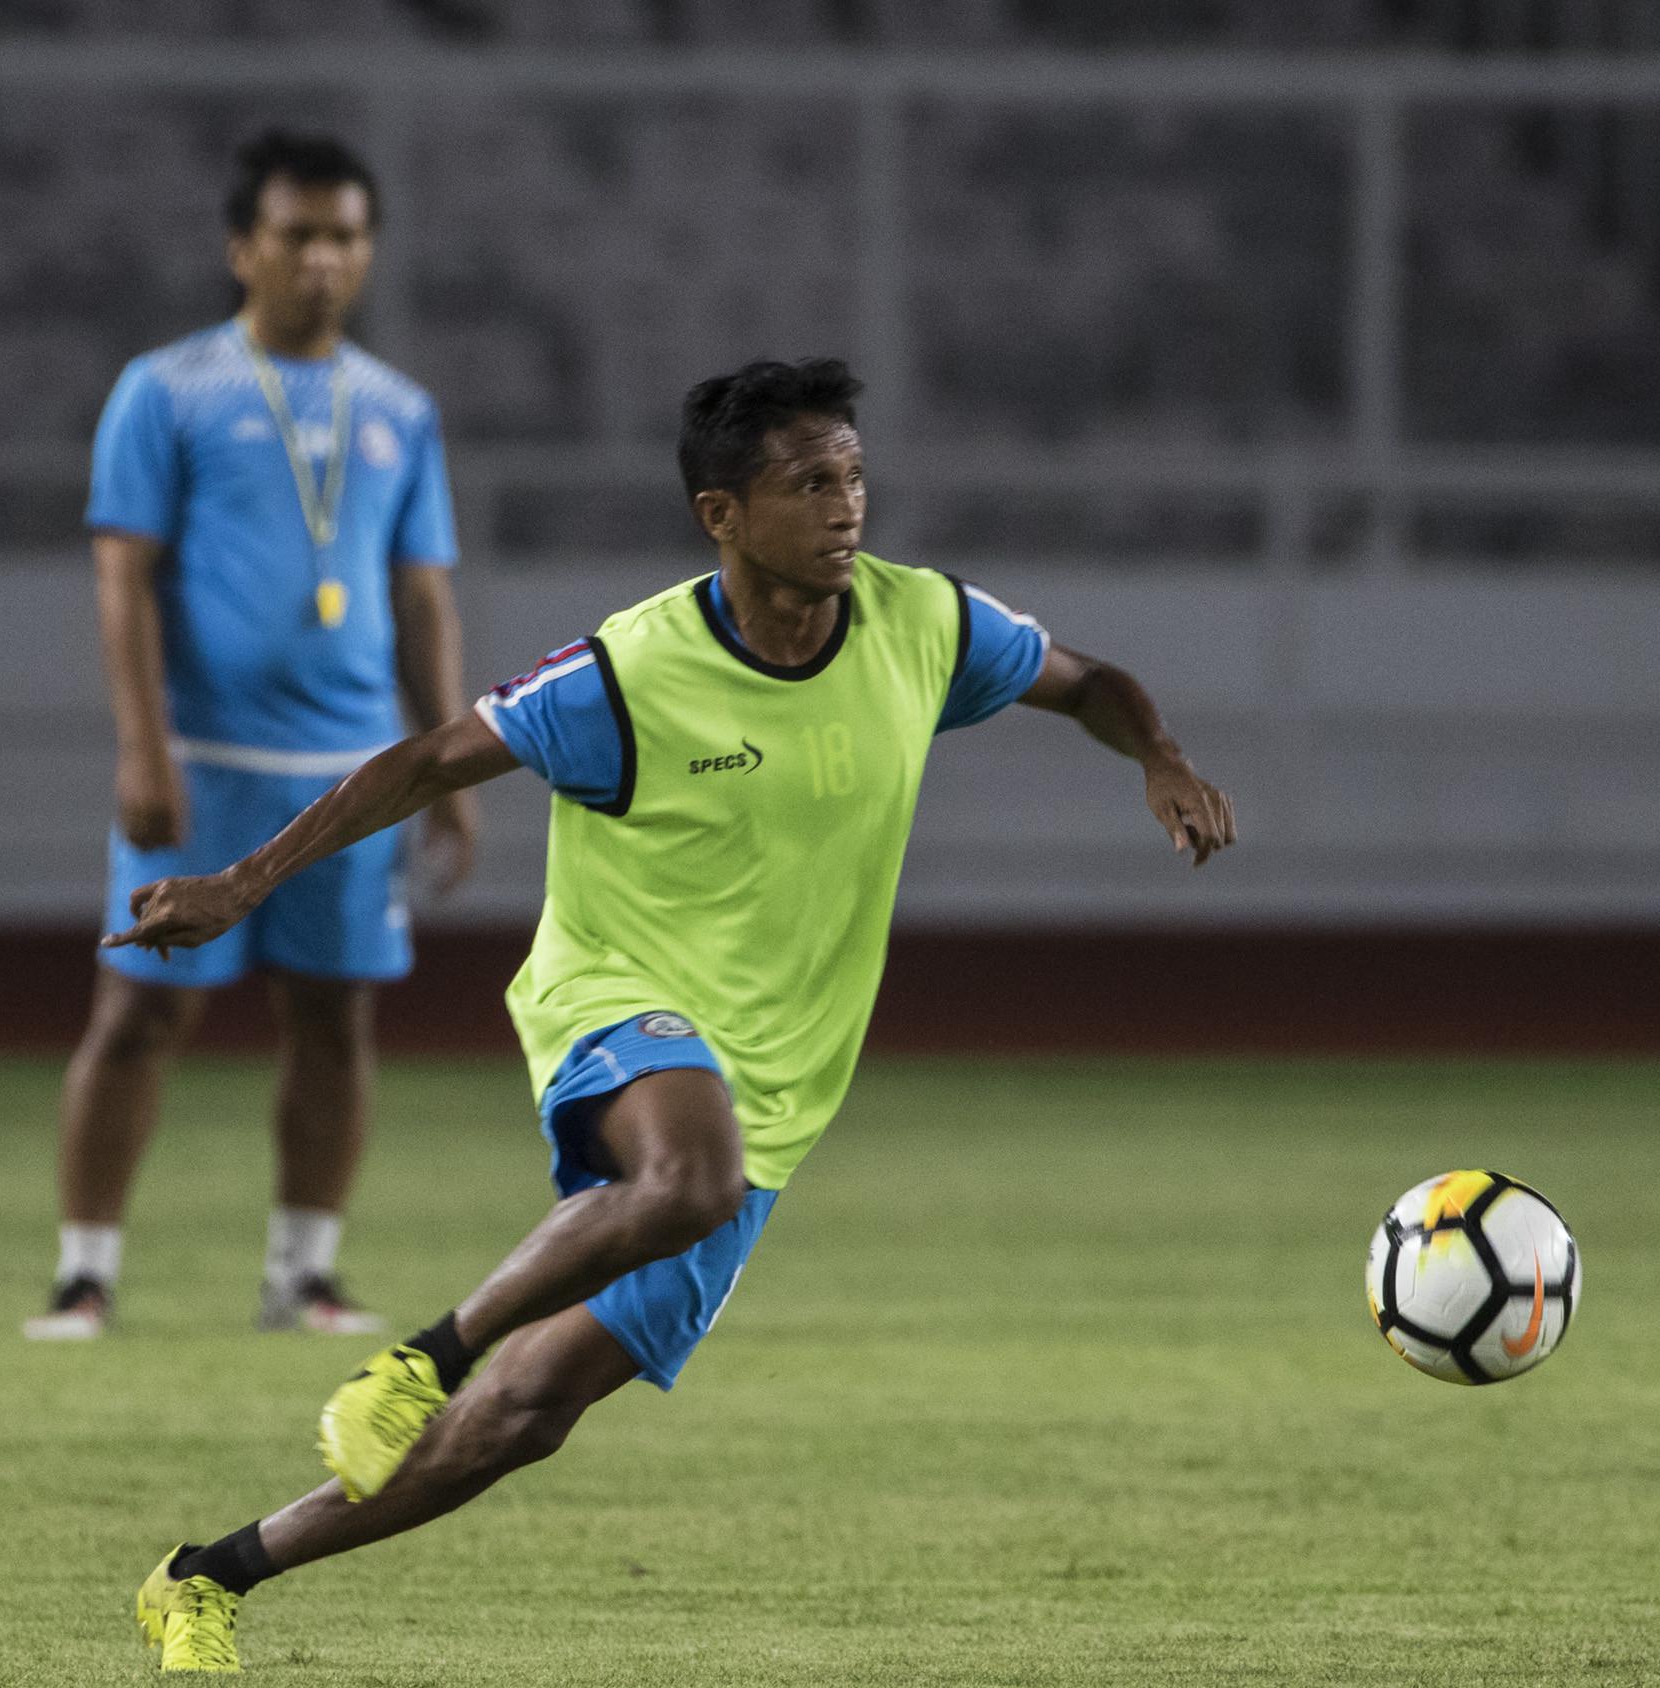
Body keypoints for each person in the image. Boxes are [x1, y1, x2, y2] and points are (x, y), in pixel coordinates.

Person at [105, 357, 1235, 1669]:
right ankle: (420, 1360)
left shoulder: (924, 623)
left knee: (526, 1416)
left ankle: (206, 1577)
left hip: (780, 1084)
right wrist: (242, 882)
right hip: (614, 994)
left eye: (854, 475)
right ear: (722, 515)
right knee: (689, 1174)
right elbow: (426, 760)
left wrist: (1160, 754)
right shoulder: (629, 672)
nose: (846, 506)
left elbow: (1088, 680)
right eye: (808, 483)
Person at [26, 129, 478, 1342]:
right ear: (243, 248)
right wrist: (144, 746)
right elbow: (123, 575)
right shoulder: (166, 389)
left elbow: (423, 595)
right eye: (298, 235)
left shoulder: (401, 410)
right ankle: (83, 1273)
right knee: (141, 1012)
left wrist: (451, 768)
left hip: (354, 770)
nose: (323, 259)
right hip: (207, 762)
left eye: (346, 236)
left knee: (335, 1017)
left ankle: (304, 1275)